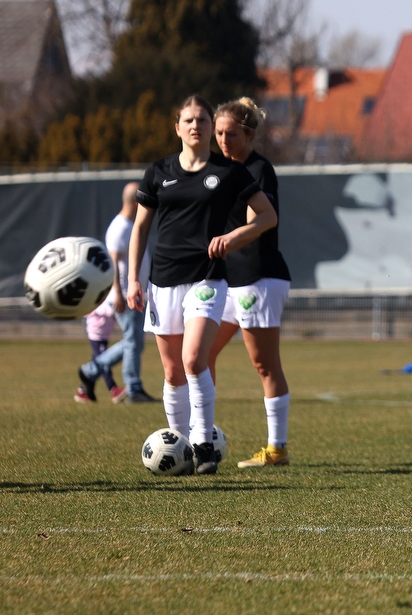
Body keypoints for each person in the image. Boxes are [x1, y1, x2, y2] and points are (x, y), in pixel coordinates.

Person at [127, 95, 277, 475]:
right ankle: (178, 446)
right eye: (189, 120)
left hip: (207, 277)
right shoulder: (158, 172)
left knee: (194, 360)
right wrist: (132, 279)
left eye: (203, 120)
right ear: (177, 127)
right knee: (173, 372)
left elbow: (267, 216)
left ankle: (203, 444)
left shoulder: (229, 172)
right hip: (162, 280)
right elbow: (141, 227)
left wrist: (235, 237)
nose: (196, 126)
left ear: (211, 128)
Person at [207, 97, 292, 468]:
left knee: (264, 365)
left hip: (258, 277)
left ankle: (277, 449)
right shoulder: (218, 170)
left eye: (232, 134)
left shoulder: (258, 169)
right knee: (200, 356)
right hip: (229, 280)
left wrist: (227, 239)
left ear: (249, 134)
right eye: (219, 133)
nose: (224, 140)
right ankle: (202, 434)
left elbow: (259, 219)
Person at [76, 182, 157, 404]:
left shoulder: (129, 224)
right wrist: (119, 293)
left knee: (135, 342)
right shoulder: (121, 226)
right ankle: (133, 388)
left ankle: (91, 371)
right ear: (136, 202)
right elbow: (111, 261)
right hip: (124, 294)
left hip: (132, 293)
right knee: (133, 341)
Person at [74, 298, 125, 403]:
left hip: (104, 336)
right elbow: (106, 310)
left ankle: (82, 391)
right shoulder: (96, 299)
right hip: (96, 336)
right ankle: (113, 389)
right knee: (103, 364)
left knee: (97, 363)